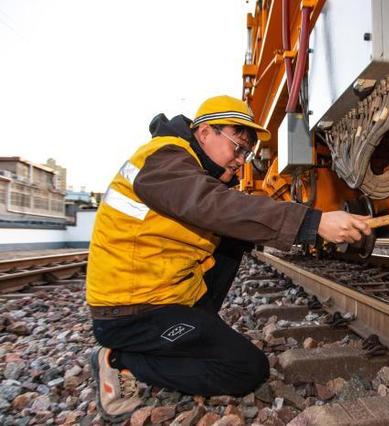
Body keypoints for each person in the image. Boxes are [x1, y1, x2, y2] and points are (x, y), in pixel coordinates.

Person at [86, 95, 371, 422]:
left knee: (236, 236)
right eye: (238, 147)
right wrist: (313, 222)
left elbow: (228, 214)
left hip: (159, 297)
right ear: (205, 132)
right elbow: (213, 205)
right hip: (129, 313)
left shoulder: (188, 167)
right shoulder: (163, 159)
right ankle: (119, 359)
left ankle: (193, 329)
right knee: (246, 369)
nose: (241, 160)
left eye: (246, 153)